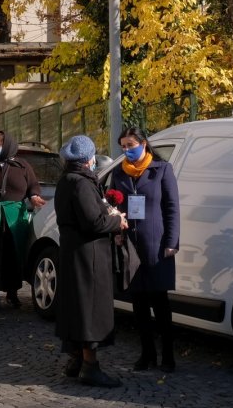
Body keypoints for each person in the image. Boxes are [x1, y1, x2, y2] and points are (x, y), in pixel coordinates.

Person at [55, 134, 129, 387]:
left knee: (76, 308)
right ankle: (90, 365)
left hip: (73, 253)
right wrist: (117, 221)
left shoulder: (66, 180)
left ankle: (75, 360)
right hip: (89, 256)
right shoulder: (81, 183)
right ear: (89, 159)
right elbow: (93, 222)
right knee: (89, 311)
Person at [109, 127, 180, 372]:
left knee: (160, 302)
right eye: (123, 146)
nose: (127, 150)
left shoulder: (161, 170)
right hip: (131, 245)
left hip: (157, 245)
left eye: (130, 145)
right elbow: (113, 207)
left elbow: (172, 208)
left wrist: (172, 242)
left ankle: (168, 355)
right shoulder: (119, 173)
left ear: (143, 144)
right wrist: (117, 232)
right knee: (138, 303)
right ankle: (147, 353)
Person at [0, 130, 47, 307]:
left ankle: (12, 292)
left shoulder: (22, 166)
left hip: (14, 217)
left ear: (8, 146)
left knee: (13, 253)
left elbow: (32, 186)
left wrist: (34, 197)